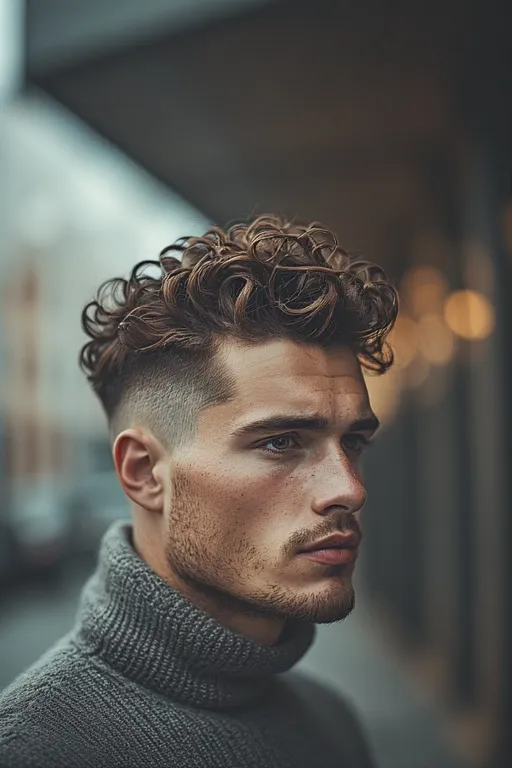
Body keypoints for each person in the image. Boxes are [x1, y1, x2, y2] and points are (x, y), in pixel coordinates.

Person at [0, 214, 398, 767]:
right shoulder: (35, 750)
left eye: (352, 442)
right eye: (281, 442)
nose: (349, 489)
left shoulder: (331, 722)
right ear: (144, 473)